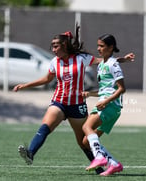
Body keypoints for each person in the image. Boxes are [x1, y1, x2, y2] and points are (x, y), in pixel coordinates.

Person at [13, 26, 134, 174]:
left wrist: (123, 60)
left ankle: (101, 167)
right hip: (59, 102)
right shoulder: (54, 62)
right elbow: (47, 79)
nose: (53, 49)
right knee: (46, 125)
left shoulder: (81, 58)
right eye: (52, 46)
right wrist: (25, 85)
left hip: (77, 105)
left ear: (64, 45)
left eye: (55, 46)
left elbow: (104, 61)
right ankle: (30, 153)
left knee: (83, 142)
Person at [81, 34, 126, 176]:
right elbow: (104, 89)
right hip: (108, 105)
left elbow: (121, 88)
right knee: (86, 141)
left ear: (111, 47)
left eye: (102, 46)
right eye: (98, 45)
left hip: (109, 105)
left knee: (86, 127)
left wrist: (106, 101)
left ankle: (100, 158)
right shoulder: (101, 65)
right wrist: (90, 94)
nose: (98, 48)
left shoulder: (113, 64)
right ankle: (114, 164)